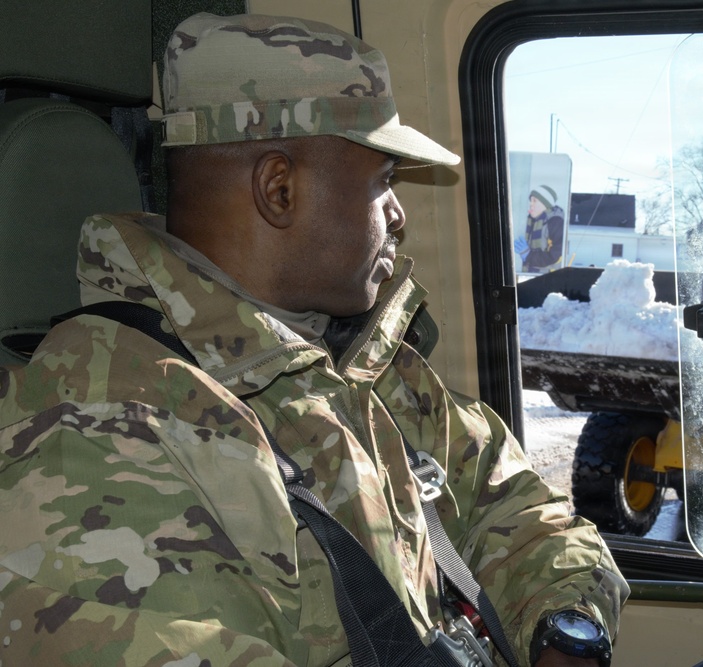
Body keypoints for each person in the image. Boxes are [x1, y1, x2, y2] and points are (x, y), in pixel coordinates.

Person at [0, 12, 627, 667]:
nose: (398, 215)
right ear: (279, 190)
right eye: (384, 180)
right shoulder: (100, 434)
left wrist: (564, 627)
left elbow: (515, 503)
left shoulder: (365, 367)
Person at [516, 185, 565, 273]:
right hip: (529, 275)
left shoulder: (555, 222)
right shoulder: (531, 221)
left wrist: (528, 255)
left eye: (534, 201)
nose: (531, 204)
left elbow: (555, 257)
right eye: (530, 201)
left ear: (545, 204)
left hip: (547, 278)